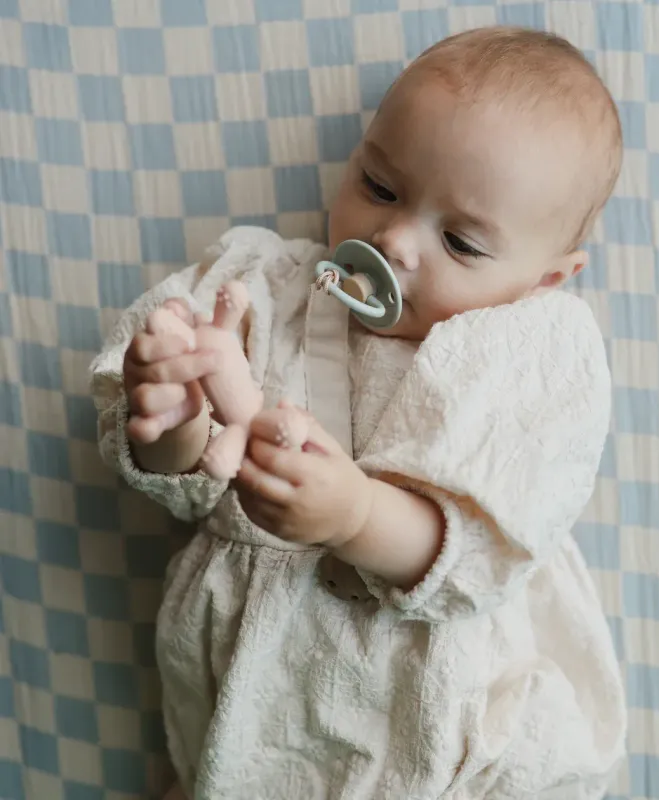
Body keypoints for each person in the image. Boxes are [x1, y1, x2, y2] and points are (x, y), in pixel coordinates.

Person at [91, 26, 626, 800]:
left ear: (546, 278)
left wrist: (356, 516)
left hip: (422, 695)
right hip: (246, 697)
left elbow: (484, 548)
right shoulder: (265, 287)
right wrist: (174, 416)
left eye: (463, 242)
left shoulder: (527, 353)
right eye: (379, 186)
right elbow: (195, 481)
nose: (396, 240)